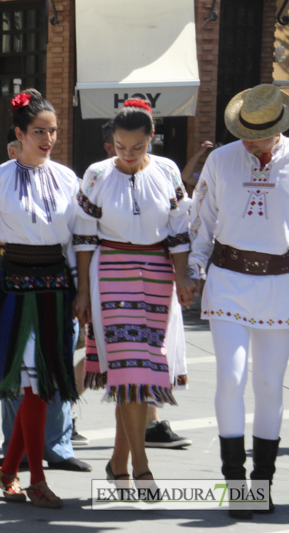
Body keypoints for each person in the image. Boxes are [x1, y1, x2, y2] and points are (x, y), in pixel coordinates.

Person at [72, 98, 192, 493]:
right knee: (128, 372)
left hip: (157, 274)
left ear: (151, 138)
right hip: (110, 272)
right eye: (120, 146)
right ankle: (141, 466)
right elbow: (85, 237)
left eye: (136, 148)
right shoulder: (96, 174)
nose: (126, 154)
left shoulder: (169, 170)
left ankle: (118, 463)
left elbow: (178, 232)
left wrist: (182, 279)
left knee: (142, 373)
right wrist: (83, 292)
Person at [0, 89, 82, 509]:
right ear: (19, 133)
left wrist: (81, 292)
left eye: (53, 131)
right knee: (32, 385)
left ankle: (9, 469)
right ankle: (36, 479)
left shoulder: (68, 178)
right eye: (39, 131)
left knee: (40, 386)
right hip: (15, 287)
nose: (48, 138)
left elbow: (75, 241)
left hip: (55, 288)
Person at [188, 83, 289, 518]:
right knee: (230, 377)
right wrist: (194, 267)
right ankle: (236, 484)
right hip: (228, 278)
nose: (249, 139)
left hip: (281, 284)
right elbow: (201, 217)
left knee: (269, 386)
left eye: (259, 133)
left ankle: (261, 485)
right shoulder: (220, 159)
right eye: (244, 130)